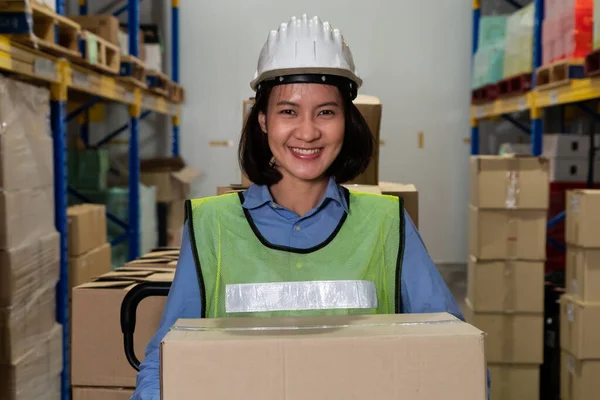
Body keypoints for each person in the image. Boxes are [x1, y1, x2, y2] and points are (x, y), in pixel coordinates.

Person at [132, 14, 479, 400]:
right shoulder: (210, 226)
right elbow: (166, 358)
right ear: (262, 120)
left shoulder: (387, 224)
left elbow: (452, 350)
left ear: (348, 121)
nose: (308, 131)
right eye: (289, 111)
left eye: (326, 112)